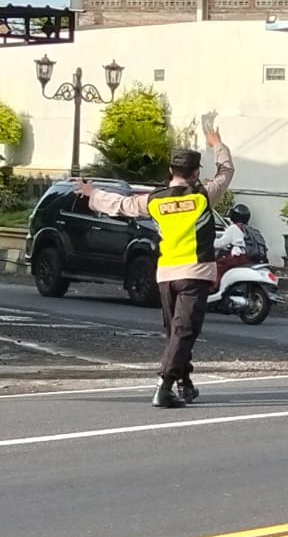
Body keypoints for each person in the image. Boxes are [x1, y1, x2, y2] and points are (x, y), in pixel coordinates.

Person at [77, 128, 234, 407]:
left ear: (170, 170)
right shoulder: (203, 195)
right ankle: (165, 385)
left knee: (177, 331)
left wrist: (93, 193)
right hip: (195, 273)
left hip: (166, 275)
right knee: (185, 330)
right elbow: (226, 170)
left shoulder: (155, 200)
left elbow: (121, 205)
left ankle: (185, 384)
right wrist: (217, 144)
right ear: (196, 172)